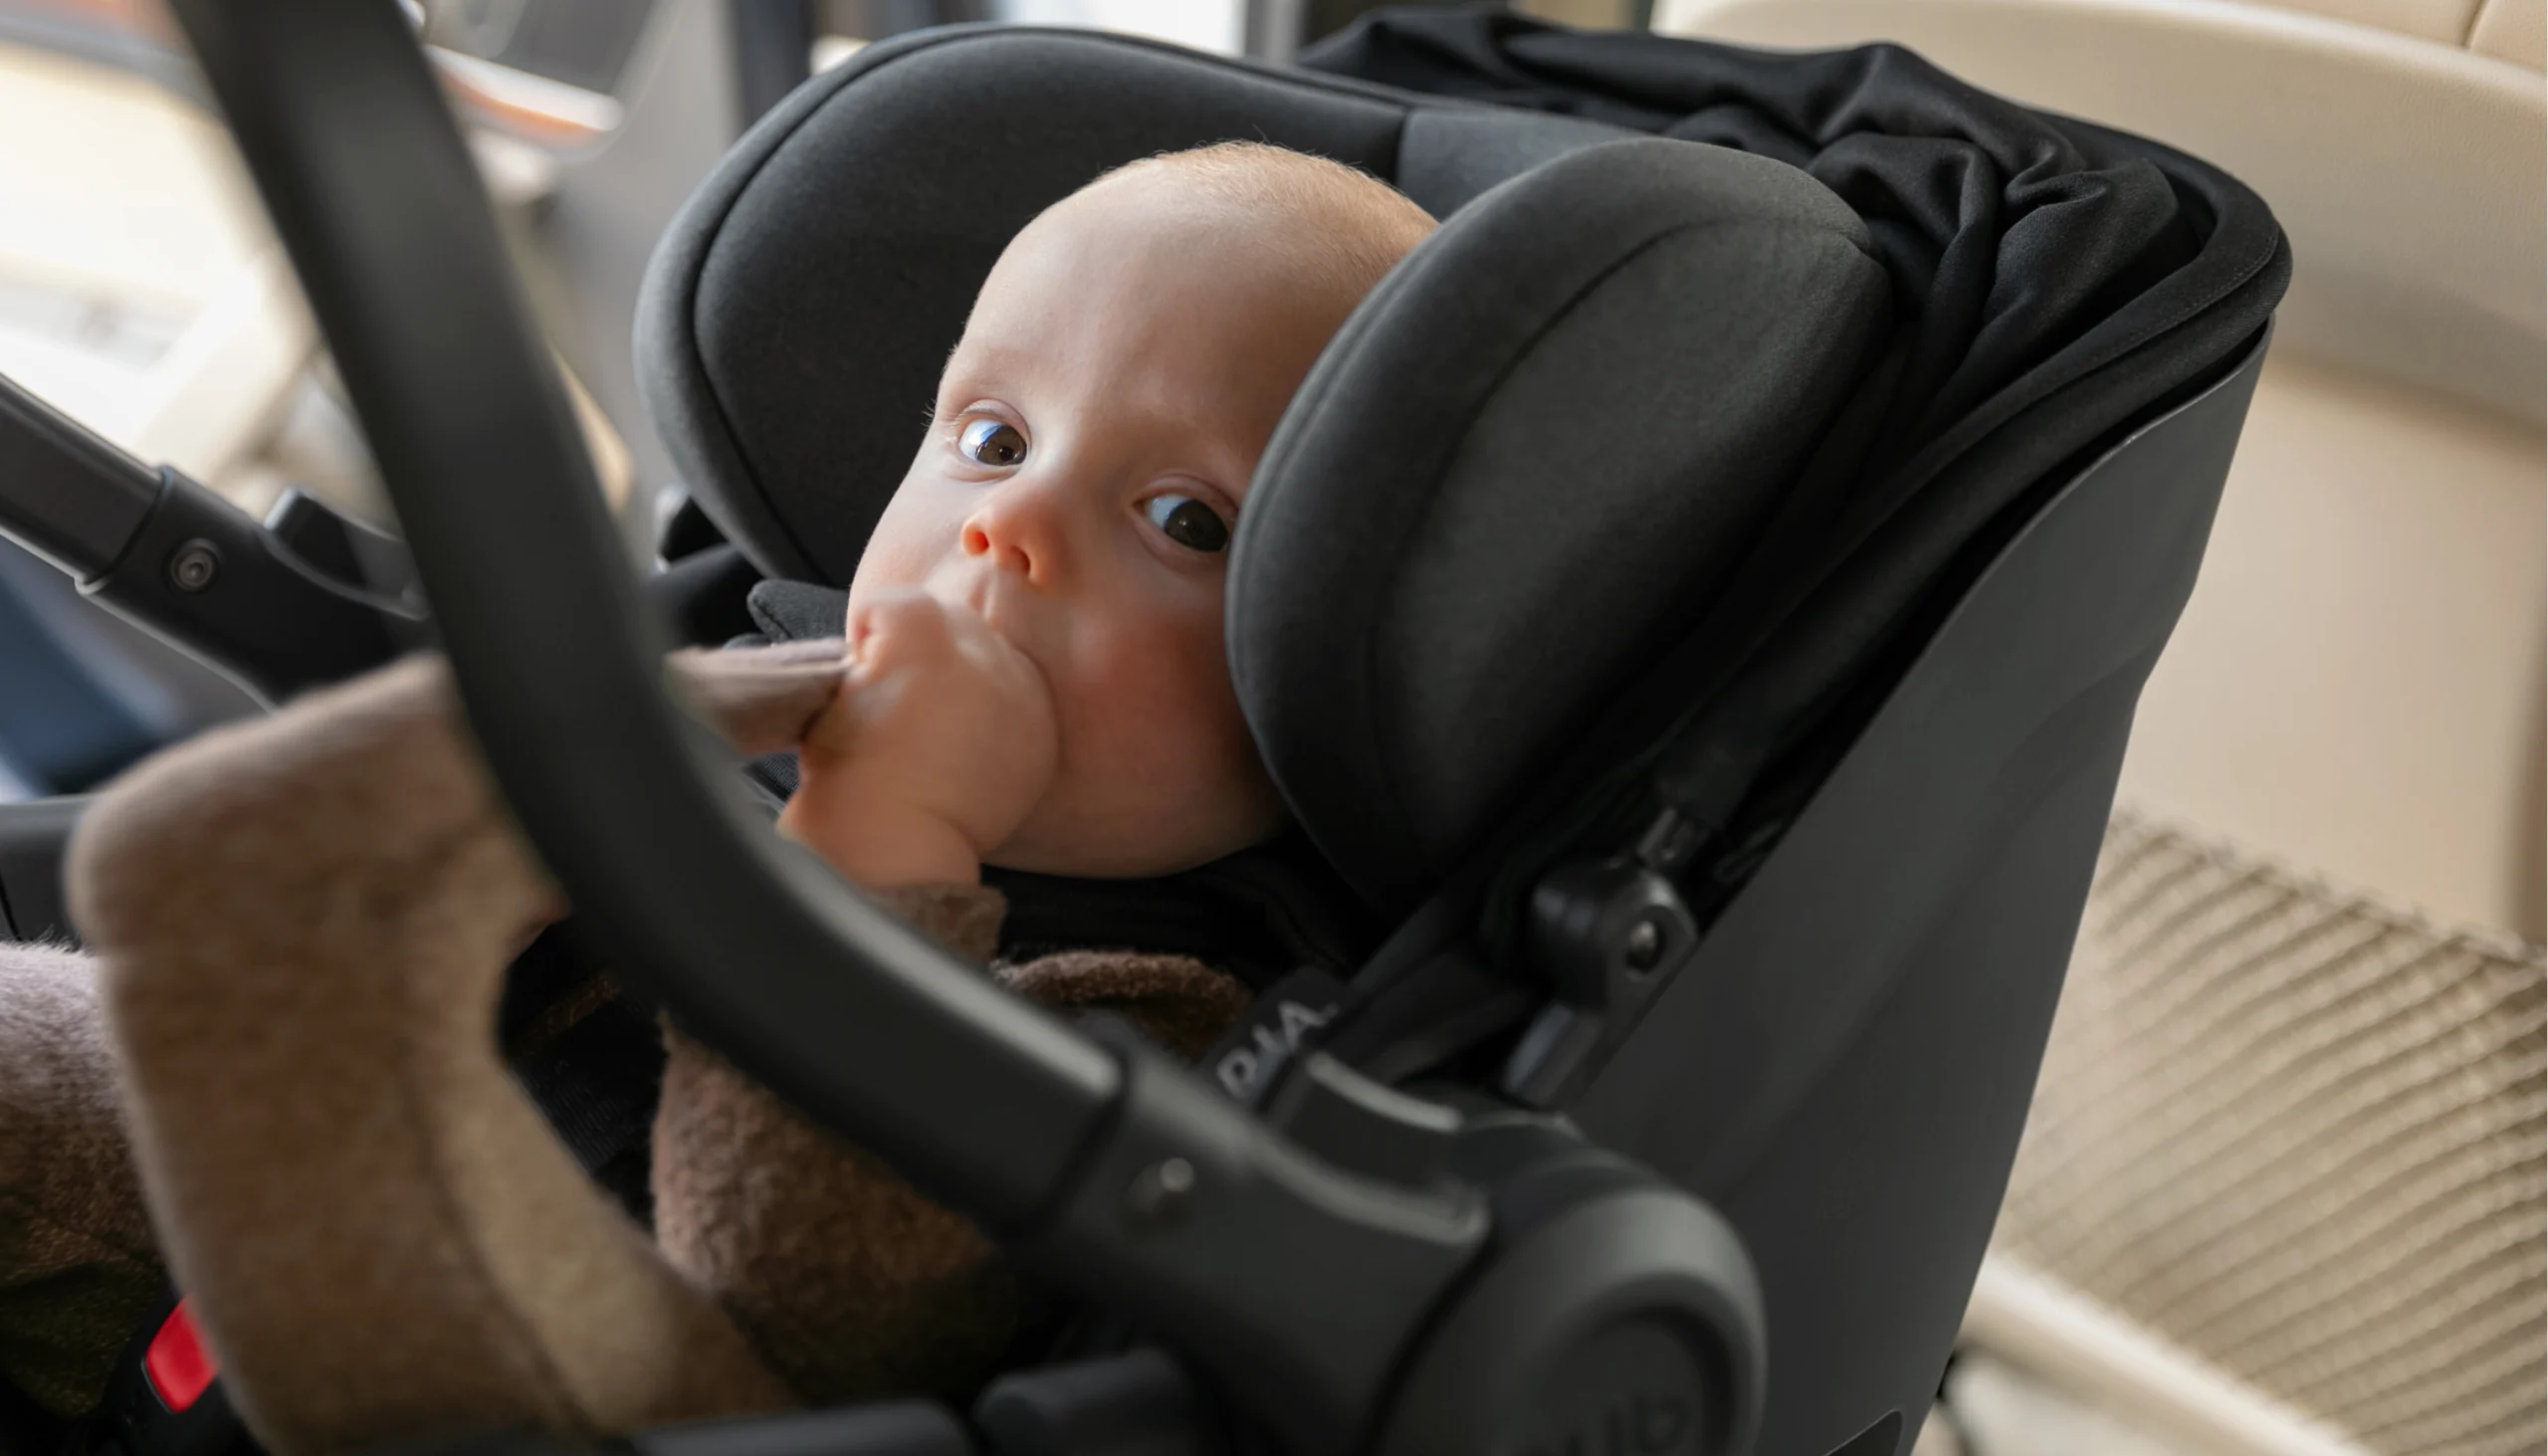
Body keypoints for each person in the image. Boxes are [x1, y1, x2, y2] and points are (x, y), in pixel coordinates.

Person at [0, 142, 1436, 1456]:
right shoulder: (757, 695)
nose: (1007, 526)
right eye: (992, 439)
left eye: (1184, 519)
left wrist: (886, 847)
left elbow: (812, 1297)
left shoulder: (1163, 1019)